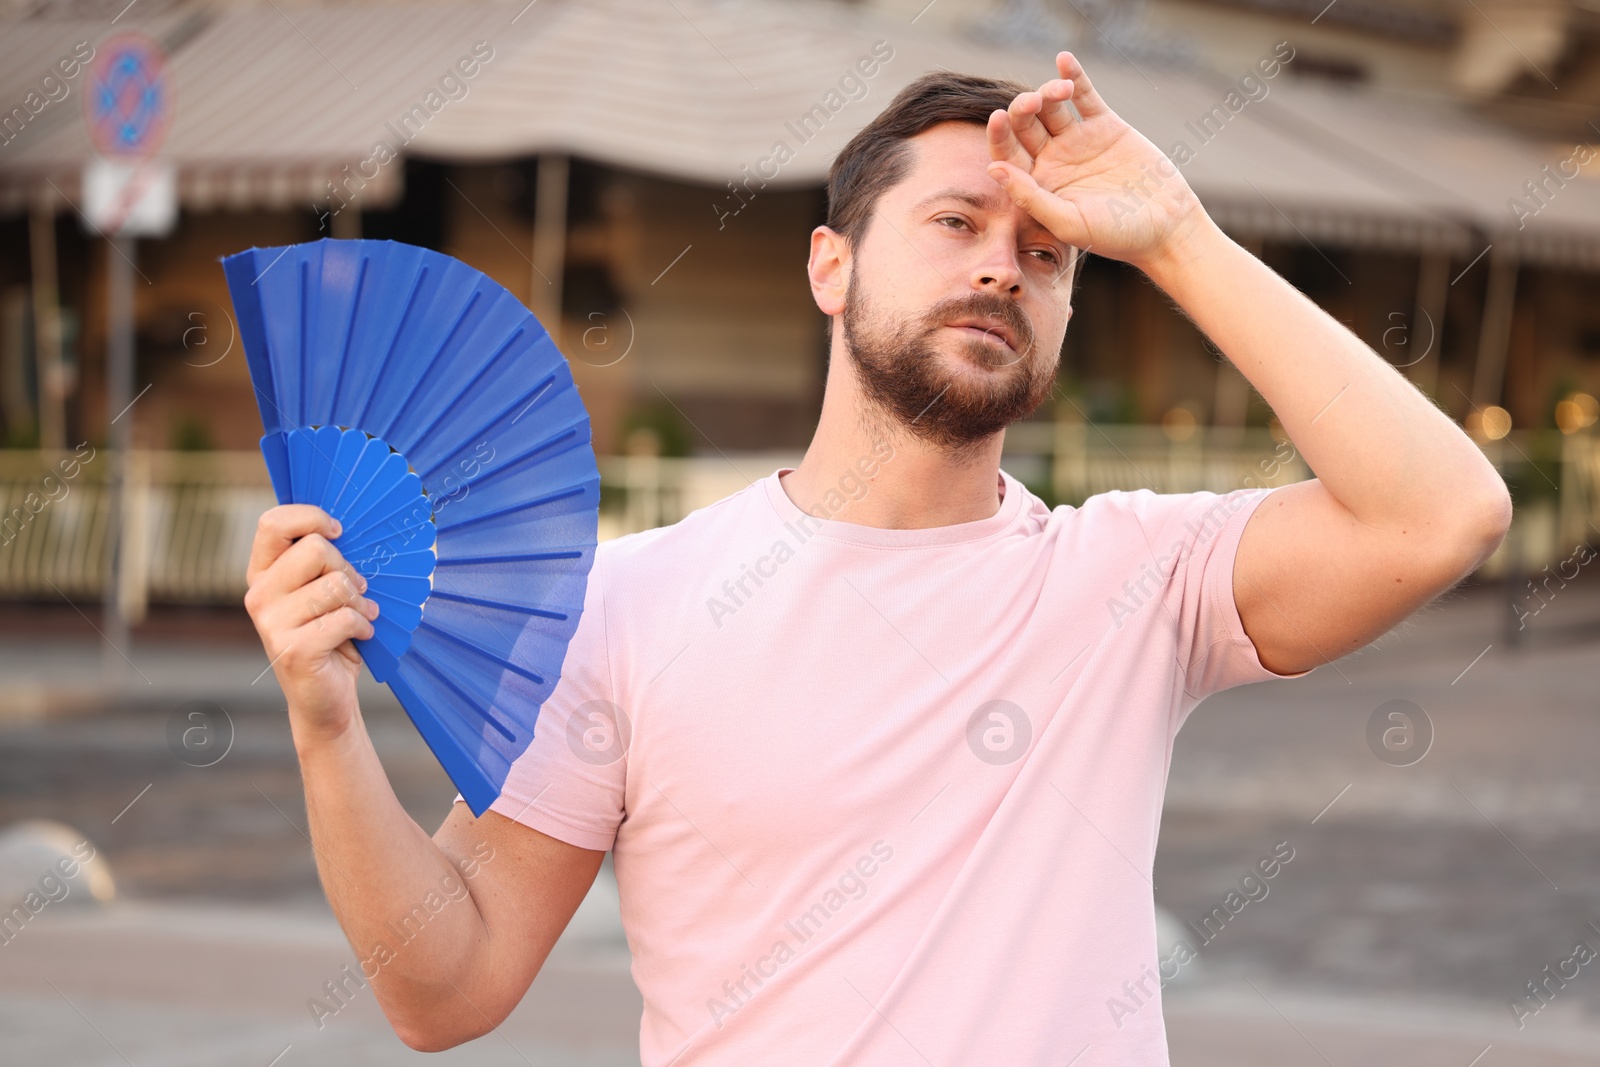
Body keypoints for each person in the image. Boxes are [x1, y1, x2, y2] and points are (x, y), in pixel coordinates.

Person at [243, 54, 1512, 1066]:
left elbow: (1438, 514)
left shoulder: (1136, 578)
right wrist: (325, 723)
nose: (999, 268)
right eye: (955, 221)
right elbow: (444, 985)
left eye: (1049, 253)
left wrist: (1175, 232)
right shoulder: (633, 602)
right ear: (829, 266)